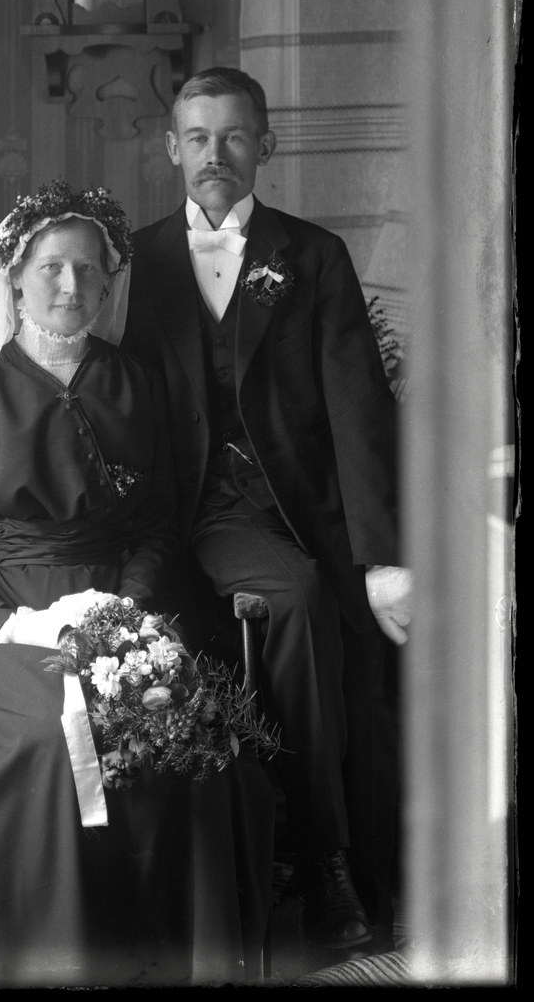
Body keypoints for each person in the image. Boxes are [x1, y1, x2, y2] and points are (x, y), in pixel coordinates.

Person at [0, 180, 275, 987]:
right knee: (48, 736)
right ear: (15, 278)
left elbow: (158, 523)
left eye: (89, 270)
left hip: (116, 601)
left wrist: (127, 602)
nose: (71, 286)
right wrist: (1, 623)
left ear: (109, 283)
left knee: (184, 731)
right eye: (52, 268)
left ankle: (168, 953)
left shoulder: (136, 381)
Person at [121, 67, 412, 949]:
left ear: (266, 146)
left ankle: (372, 862)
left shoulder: (312, 254)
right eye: (198, 138)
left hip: (313, 508)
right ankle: (323, 861)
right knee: (297, 599)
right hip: (205, 512)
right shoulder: (136, 261)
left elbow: (360, 410)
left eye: (235, 136)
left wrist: (382, 555)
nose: (215, 155)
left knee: (371, 639)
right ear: (171, 149)